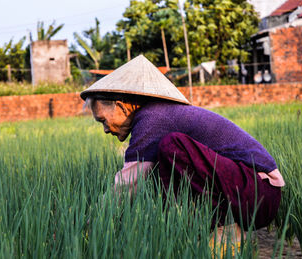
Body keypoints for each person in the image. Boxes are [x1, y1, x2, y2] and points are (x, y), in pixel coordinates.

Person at [80, 55, 284, 249]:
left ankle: (226, 229)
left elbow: (127, 184)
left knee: (172, 146)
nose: (105, 129)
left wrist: (89, 227)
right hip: (252, 192)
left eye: (103, 120)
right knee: (161, 172)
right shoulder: (157, 115)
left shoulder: (152, 118)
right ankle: (205, 231)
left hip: (258, 191)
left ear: (121, 107)